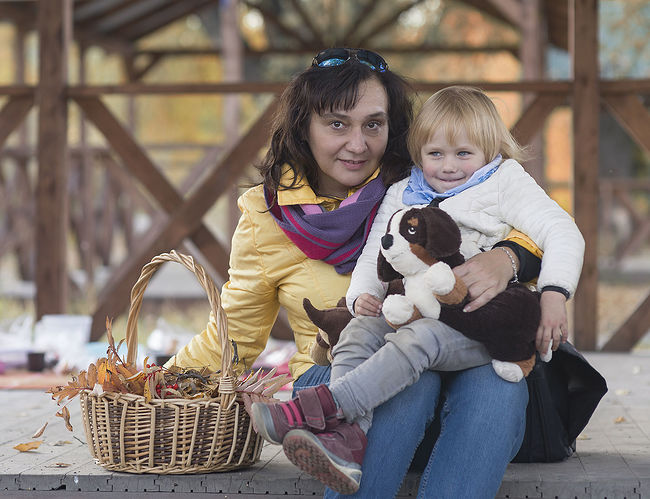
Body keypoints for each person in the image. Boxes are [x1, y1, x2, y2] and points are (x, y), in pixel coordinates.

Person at [168, 50, 543, 498]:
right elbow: (234, 335)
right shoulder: (265, 217)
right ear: (304, 127)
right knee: (405, 375)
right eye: (337, 124)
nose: (358, 144)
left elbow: (538, 227)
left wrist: (510, 257)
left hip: (457, 372)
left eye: (373, 124)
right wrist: (158, 383)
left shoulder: (427, 181)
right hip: (337, 380)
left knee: (499, 383)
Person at [251, 86, 584, 495]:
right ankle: (344, 434)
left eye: (464, 153)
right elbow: (376, 251)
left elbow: (560, 229)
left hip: (477, 320)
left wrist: (553, 292)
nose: (448, 166)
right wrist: (360, 297)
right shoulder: (405, 190)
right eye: (435, 153)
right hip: (412, 315)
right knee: (359, 331)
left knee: (423, 341)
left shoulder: (502, 181)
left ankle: (330, 408)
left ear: (490, 150)